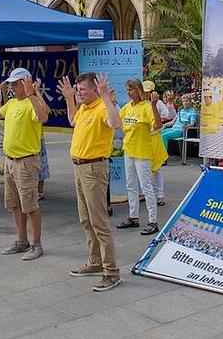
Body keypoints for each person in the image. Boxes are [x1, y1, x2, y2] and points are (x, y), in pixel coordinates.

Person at [58, 72, 123, 292]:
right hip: (79, 167)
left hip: (94, 168)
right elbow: (72, 120)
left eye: (82, 90)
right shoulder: (85, 108)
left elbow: (116, 123)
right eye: (77, 90)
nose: (79, 93)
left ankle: (111, 272)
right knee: (86, 219)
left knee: (99, 222)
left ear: (95, 90)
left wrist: (106, 97)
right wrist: (69, 98)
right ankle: (95, 261)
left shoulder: (103, 107)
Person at [0, 67, 49, 260]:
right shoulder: (13, 103)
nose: (13, 87)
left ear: (26, 82)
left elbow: (43, 117)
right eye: (11, 84)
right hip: (10, 161)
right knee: (14, 204)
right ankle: (21, 240)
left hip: (27, 162)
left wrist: (33, 94)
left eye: (16, 83)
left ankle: (36, 244)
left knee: (30, 205)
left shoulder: (32, 103)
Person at [118, 79, 161, 235]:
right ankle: (133, 216)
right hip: (129, 151)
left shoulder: (147, 107)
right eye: (127, 89)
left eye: (131, 89)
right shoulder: (127, 107)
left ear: (138, 90)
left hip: (142, 153)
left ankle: (153, 221)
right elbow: (117, 122)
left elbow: (157, 125)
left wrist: (155, 106)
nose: (128, 92)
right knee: (131, 185)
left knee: (146, 187)